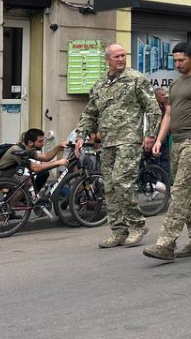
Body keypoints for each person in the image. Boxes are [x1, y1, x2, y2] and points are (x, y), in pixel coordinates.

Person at [76, 43, 159, 250]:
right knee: (109, 186)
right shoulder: (100, 85)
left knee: (123, 181)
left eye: (123, 55)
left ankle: (137, 225)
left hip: (129, 139)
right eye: (117, 56)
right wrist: (81, 135)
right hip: (108, 142)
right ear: (108, 60)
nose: (121, 59)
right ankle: (118, 231)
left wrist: (150, 134)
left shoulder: (136, 79)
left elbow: (153, 109)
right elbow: (90, 113)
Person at [143, 41, 191, 261]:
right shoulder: (175, 84)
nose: (177, 64)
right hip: (176, 142)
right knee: (189, 194)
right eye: (174, 60)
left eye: (181, 60)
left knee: (180, 191)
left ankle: (166, 244)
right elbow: (169, 114)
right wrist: (159, 139)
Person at [0, 128, 69, 188]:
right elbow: (35, 168)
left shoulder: (28, 150)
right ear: (30, 142)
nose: (43, 143)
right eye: (40, 141)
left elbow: (46, 157)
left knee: (26, 183)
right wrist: (58, 163)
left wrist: (58, 147)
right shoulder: (17, 151)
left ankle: (10, 209)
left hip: (3, 179)